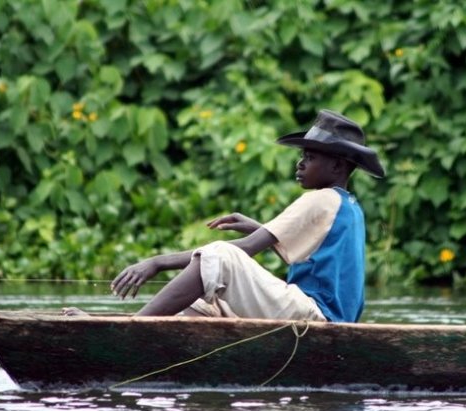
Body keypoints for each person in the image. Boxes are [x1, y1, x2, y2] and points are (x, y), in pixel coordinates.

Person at [65, 109, 385, 322]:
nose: (300, 163)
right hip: (328, 316)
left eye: (310, 157)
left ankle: (129, 330)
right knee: (204, 303)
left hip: (317, 315)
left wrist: (157, 262)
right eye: (302, 156)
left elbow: (243, 250)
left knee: (221, 254)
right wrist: (261, 227)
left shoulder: (321, 199)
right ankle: (120, 327)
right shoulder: (347, 205)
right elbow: (317, 256)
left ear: (338, 166)